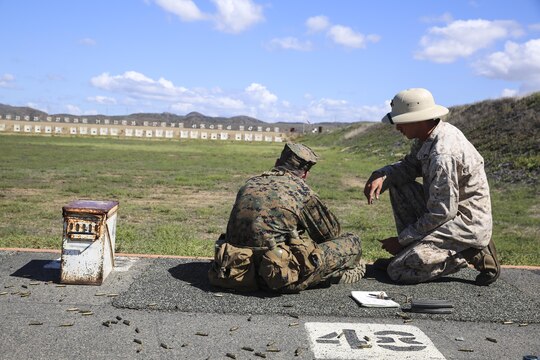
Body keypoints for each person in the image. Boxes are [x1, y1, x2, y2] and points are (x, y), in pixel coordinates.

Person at [363, 88, 500, 286]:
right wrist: (382, 174)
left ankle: (471, 251)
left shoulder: (442, 154)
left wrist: (402, 240)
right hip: (449, 213)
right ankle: (411, 253)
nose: (397, 128)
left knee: (398, 271)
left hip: (465, 224)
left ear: (417, 119)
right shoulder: (430, 136)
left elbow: (441, 213)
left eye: (400, 121)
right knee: (397, 184)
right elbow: (410, 166)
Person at [209, 142, 365, 293]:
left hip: (234, 270)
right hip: (278, 277)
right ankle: (334, 274)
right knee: (352, 241)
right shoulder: (301, 191)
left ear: (277, 163)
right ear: (305, 173)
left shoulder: (250, 183)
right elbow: (330, 234)